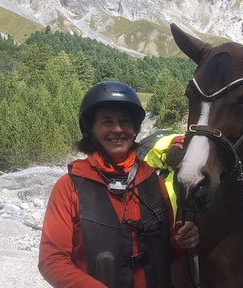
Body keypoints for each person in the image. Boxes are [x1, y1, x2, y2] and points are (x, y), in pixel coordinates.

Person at [38, 81, 198, 288]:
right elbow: (51, 260)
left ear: (134, 129)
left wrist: (181, 242)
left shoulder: (152, 181)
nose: (118, 129)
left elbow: (166, 247)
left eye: (125, 121)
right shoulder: (70, 186)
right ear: (91, 130)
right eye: (106, 122)